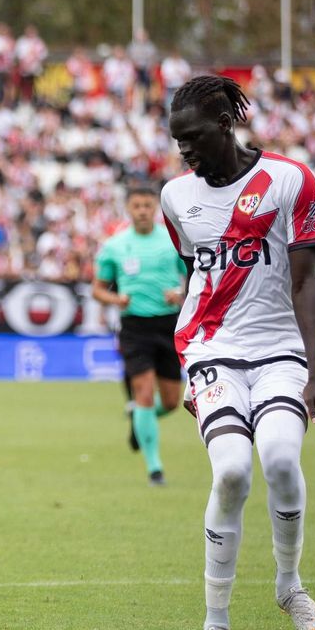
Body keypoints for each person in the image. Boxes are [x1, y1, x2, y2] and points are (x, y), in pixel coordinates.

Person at [159, 75, 315, 630]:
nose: (185, 152)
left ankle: (289, 585)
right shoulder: (174, 197)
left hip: (281, 348)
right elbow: (197, 274)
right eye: (177, 142)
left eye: (194, 138)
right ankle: (216, 627)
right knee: (232, 472)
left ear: (225, 125)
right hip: (210, 349)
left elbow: (308, 281)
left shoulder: (290, 180)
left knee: (282, 458)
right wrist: (185, 358)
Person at [91, 185, 187, 485]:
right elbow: (97, 289)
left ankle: (139, 421)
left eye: (148, 205)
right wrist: (115, 300)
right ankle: (154, 468)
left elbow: (197, 278)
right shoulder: (115, 246)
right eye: (137, 206)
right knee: (144, 393)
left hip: (169, 324)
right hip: (134, 327)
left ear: (155, 208)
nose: (143, 210)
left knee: (171, 401)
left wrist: (181, 294)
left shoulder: (174, 242)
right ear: (129, 209)